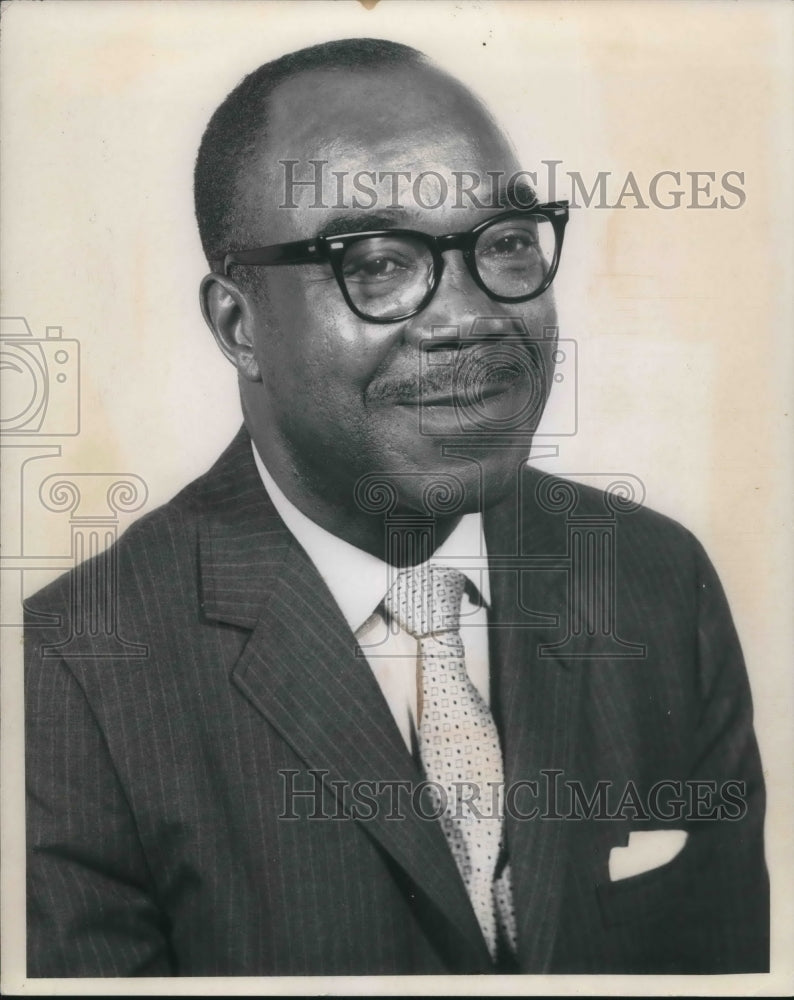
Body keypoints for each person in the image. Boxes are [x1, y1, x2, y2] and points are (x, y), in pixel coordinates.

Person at [24, 37, 768, 977]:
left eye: (505, 245)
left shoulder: (659, 583)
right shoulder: (68, 677)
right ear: (238, 325)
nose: (471, 317)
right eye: (374, 263)